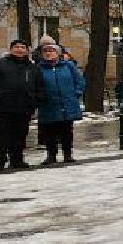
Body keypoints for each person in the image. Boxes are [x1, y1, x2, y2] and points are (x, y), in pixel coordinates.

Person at [0, 39, 42, 172]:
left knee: (20, 135)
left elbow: (39, 86)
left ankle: (17, 160)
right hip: (2, 107)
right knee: (0, 136)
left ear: (27, 50)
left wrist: (34, 101)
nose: (19, 49)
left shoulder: (32, 68)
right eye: (16, 47)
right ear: (11, 49)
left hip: (24, 107)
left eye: (23, 47)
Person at [35, 37, 85, 165]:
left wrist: (76, 94)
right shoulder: (38, 68)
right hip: (48, 105)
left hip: (67, 103)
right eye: (45, 51)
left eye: (51, 51)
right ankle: (51, 155)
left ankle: (68, 155)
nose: (48, 53)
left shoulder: (68, 66)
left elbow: (79, 81)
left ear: (58, 53)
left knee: (66, 131)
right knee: (49, 131)